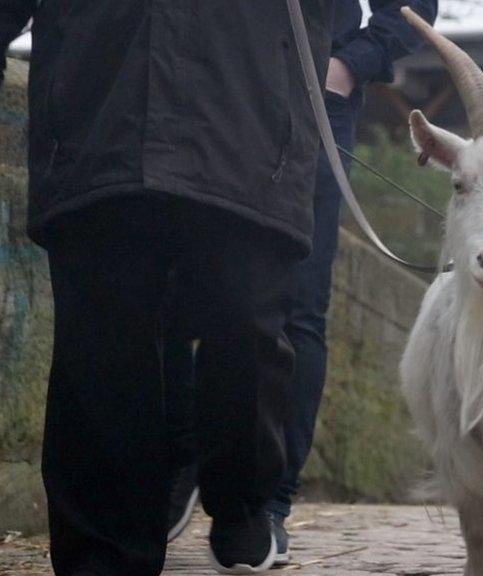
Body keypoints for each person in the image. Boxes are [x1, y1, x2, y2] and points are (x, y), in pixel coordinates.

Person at [0, 2, 335, 575]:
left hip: (250, 121)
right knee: (101, 357)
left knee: (246, 327)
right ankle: (103, 561)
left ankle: (242, 497)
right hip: (99, 114)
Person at [162, 0, 439, 566]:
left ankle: (270, 502)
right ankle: (181, 460)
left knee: (295, 304)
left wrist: (348, 65)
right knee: (173, 285)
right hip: (197, 86)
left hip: (308, 100)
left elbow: (410, 8)